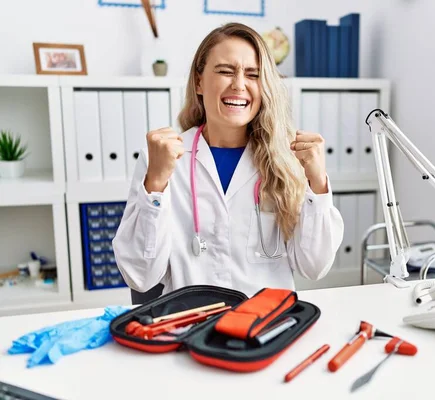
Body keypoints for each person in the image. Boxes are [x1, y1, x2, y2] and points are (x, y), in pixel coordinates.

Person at [112, 22, 344, 298]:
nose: (239, 85)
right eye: (225, 71)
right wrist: (156, 183)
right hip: (192, 323)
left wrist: (317, 184)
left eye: (253, 74)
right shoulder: (163, 157)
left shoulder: (288, 158)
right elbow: (139, 275)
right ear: (199, 82)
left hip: (266, 327)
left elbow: (314, 267)